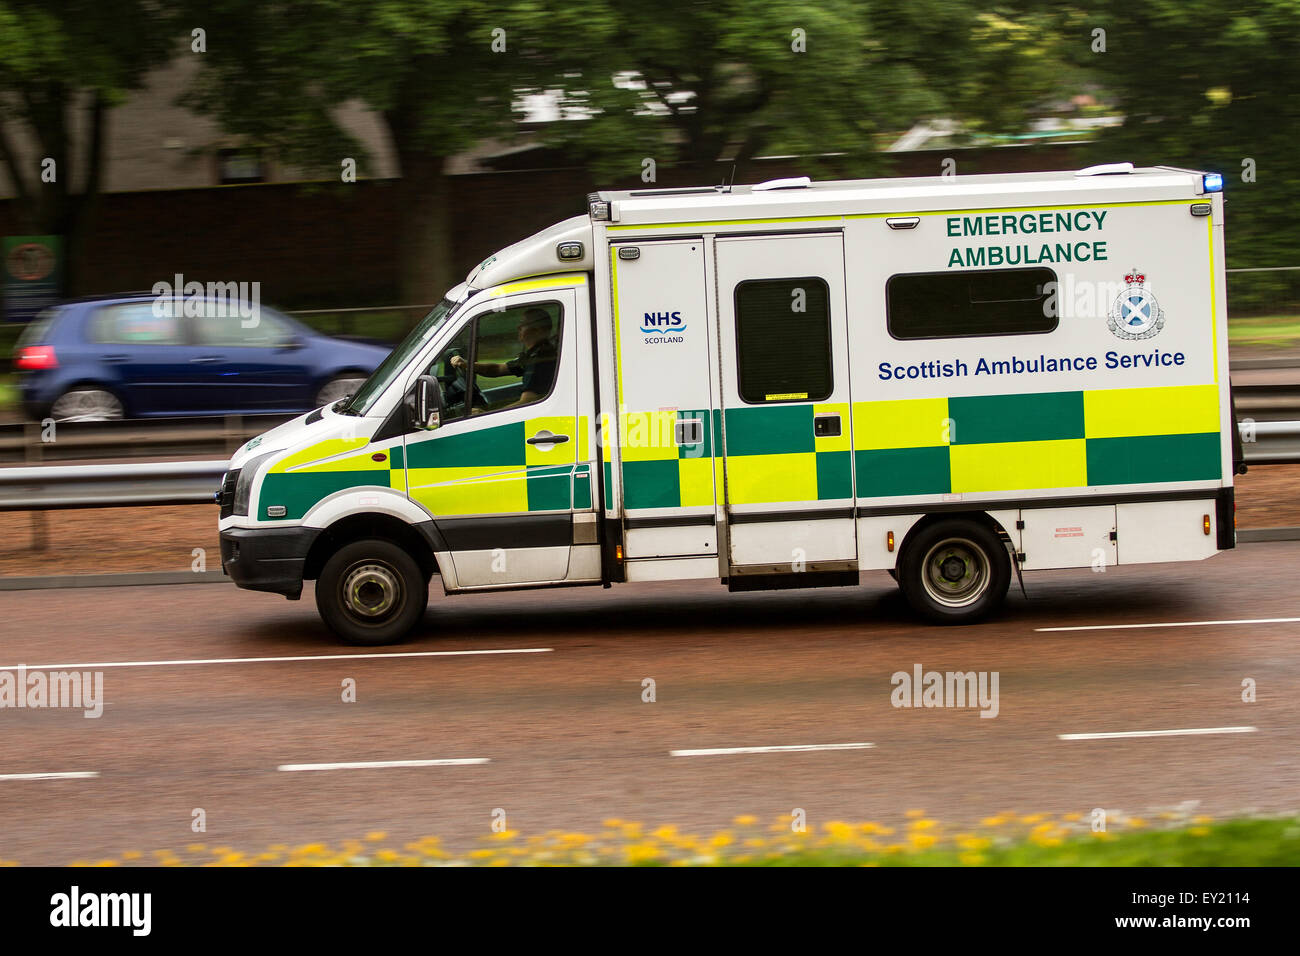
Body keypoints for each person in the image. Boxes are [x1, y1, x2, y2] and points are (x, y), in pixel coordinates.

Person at [451, 308, 558, 406]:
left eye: (523, 324)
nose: (518, 327)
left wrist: (487, 415)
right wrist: (466, 364)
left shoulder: (540, 360)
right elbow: (497, 369)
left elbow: (527, 402)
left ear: (538, 330)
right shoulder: (533, 355)